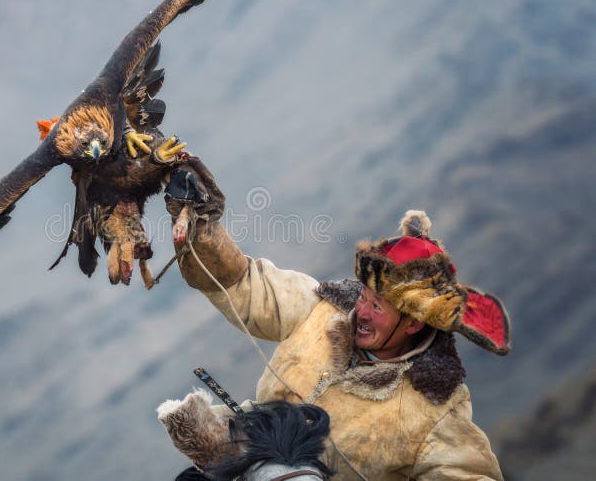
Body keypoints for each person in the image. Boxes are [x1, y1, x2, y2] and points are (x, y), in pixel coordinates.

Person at [158, 159, 511, 480]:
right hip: (244, 464)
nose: (362, 312)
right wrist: (201, 225)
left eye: (378, 307)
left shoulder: (435, 407)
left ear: (415, 323)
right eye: (364, 296)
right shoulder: (321, 308)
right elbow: (241, 282)